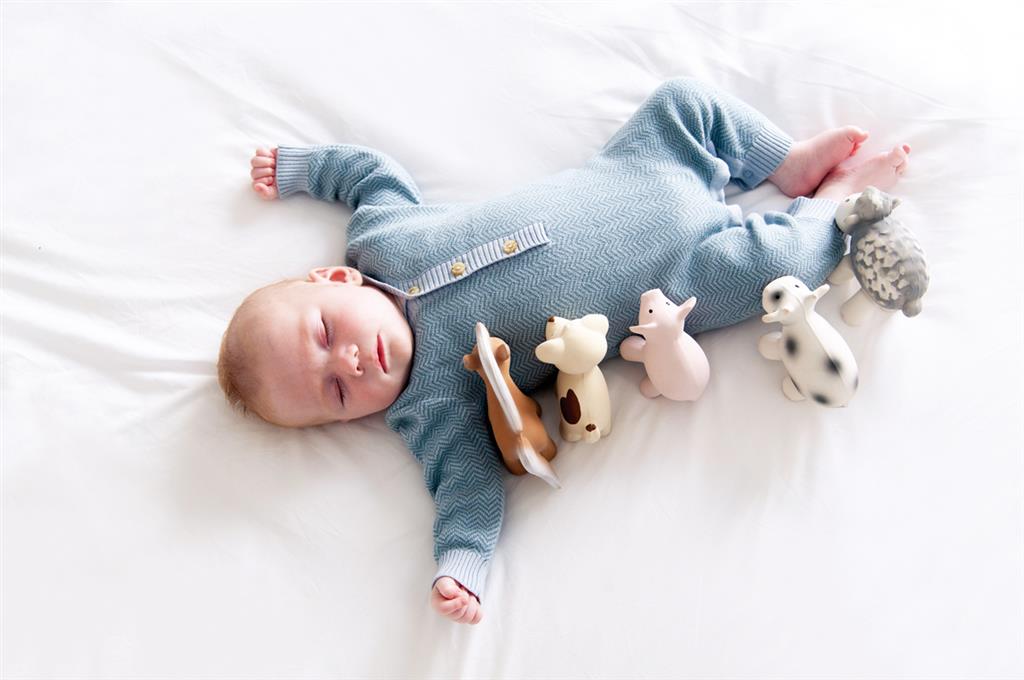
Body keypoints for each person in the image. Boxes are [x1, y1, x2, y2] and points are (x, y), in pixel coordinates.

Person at [218, 77, 910, 625]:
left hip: (638, 169)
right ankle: (832, 204)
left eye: (324, 336)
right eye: (337, 392)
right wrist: (461, 562)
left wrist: (305, 169)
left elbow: (368, 173)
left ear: (334, 280)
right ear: (350, 420)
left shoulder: (380, 237)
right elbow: (466, 485)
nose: (349, 363)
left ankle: (784, 162)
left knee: (683, 99)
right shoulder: (429, 403)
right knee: (779, 273)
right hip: (674, 288)